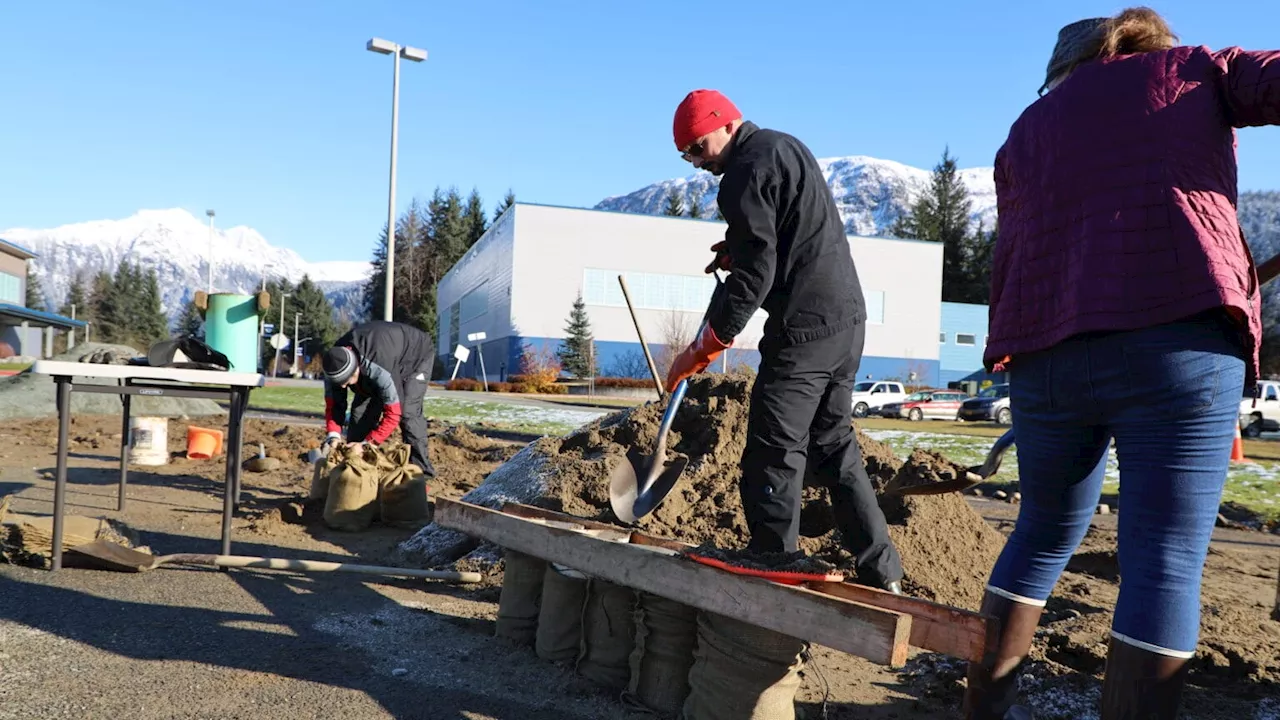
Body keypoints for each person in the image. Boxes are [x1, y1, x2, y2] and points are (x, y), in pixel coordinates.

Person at [968, 9, 1279, 719]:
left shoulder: (1025, 131)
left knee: (1040, 532)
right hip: (1177, 345)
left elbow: (1012, 258)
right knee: (1163, 560)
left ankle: (980, 713)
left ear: (1062, 73)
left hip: (1045, 359)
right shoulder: (1193, 71)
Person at [664, 89, 904, 593]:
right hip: (847, 320)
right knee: (835, 446)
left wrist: (707, 343)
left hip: (805, 330)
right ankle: (883, 574)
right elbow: (789, 231)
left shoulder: (741, 176)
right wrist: (738, 246)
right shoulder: (784, 146)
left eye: (698, 147)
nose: (695, 161)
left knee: (775, 447)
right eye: (686, 154)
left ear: (726, 125)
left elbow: (757, 274)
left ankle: (776, 564)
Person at [321, 320, 437, 478]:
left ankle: (422, 474)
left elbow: (394, 414)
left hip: (415, 356)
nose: (343, 387)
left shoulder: (378, 366)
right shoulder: (334, 365)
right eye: (339, 383)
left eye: (347, 381)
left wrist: (367, 444)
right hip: (380, 357)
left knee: (408, 412)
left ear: (356, 368)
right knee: (359, 414)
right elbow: (334, 406)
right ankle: (356, 469)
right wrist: (333, 435)